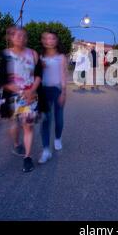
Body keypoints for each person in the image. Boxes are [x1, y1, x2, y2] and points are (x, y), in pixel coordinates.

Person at [0, 26, 42, 173]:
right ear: (10, 38)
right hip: (12, 96)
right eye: (17, 36)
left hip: (29, 97)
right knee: (14, 125)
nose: (20, 38)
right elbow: (3, 80)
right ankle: (17, 144)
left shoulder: (33, 54)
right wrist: (20, 91)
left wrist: (32, 90)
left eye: (23, 36)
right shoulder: (6, 55)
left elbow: (38, 75)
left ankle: (27, 158)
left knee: (28, 126)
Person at [38, 30, 68, 164]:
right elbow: (36, 74)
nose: (49, 41)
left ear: (56, 41)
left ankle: (57, 138)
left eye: (52, 39)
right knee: (45, 120)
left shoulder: (61, 57)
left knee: (59, 119)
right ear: (43, 41)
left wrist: (64, 92)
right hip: (44, 91)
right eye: (46, 39)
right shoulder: (40, 57)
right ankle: (45, 150)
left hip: (57, 90)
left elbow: (63, 75)